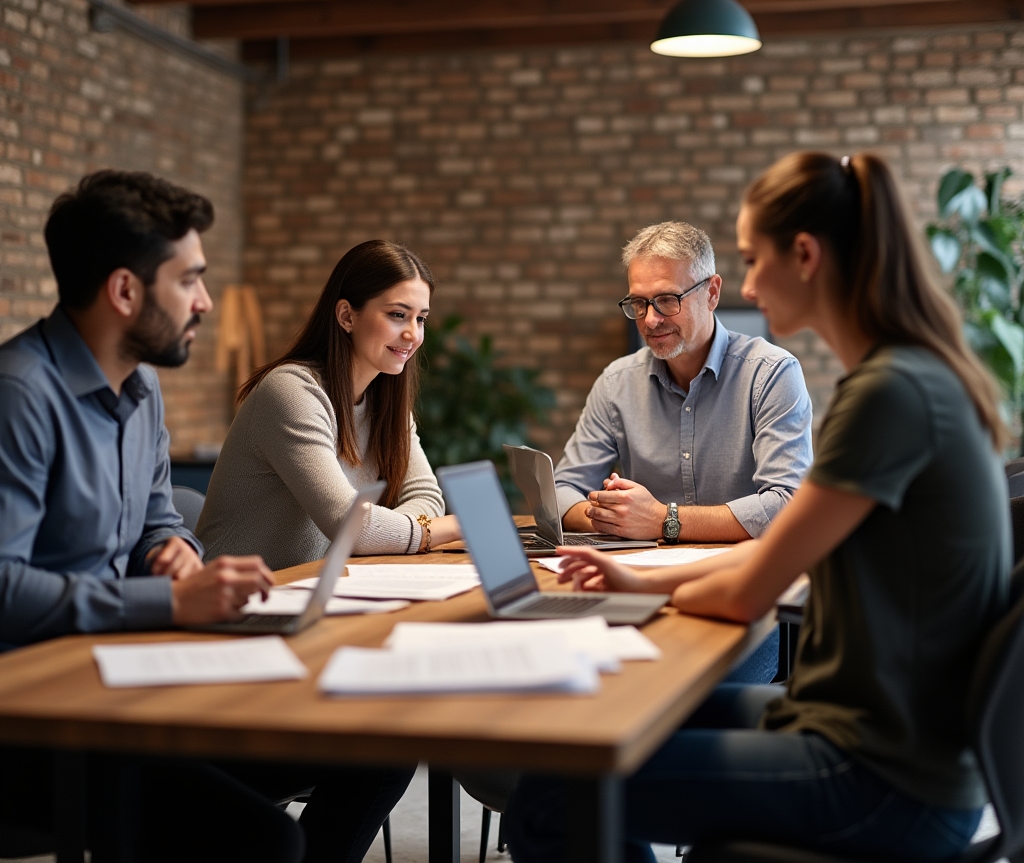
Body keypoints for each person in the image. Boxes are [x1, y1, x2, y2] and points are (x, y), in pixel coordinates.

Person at [505, 152, 1011, 863]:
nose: (742, 285)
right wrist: (635, 579)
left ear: (804, 255)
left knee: (554, 796)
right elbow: (775, 560)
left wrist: (653, 566)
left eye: (749, 259)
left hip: (884, 775)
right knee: (602, 731)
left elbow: (749, 590)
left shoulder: (888, 395)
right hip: (856, 728)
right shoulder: (905, 376)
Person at [0, 171, 412, 863]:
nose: (205, 301)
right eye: (189, 279)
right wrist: (165, 597)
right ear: (125, 291)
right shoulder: (21, 397)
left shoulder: (140, 389)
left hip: (129, 690)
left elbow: (160, 520)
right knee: (267, 841)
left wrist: (176, 551)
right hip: (39, 727)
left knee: (382, 746)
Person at [555, 221, 813, 681]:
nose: (651, 319)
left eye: (667, 299)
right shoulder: (617, 382)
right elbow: (561, 490)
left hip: (741, 609)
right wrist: (611, 514)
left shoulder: (771, 374)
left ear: (712, 292)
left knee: (668, 697)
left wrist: (661, 520)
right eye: (638, 303)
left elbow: (786, 506)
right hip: (640, 596)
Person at [197, 240, 458, 570]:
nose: (412, 334)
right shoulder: (292, 392)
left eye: (420, 319)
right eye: (397, 315)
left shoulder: (387, 403)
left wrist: (390, 531)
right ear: (347, 316)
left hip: (312, 588)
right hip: (235, 601)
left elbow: (426, 497)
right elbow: (351, 525)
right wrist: (450, 528)